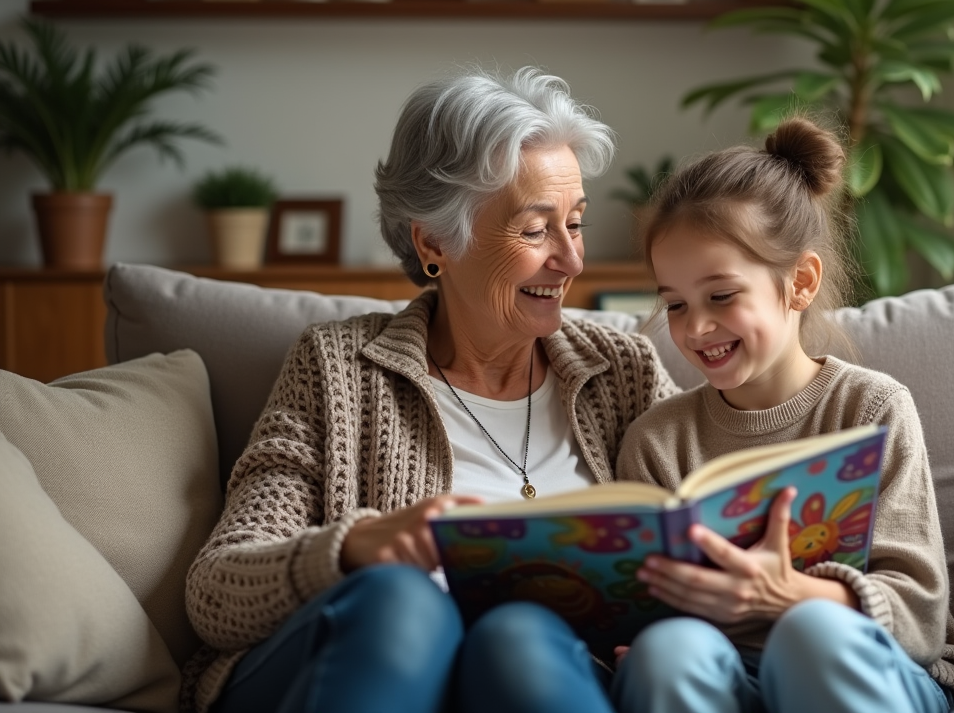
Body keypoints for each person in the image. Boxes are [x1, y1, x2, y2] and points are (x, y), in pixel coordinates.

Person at [183, 67, 677, 713]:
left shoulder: (625, 372)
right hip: (362, 659)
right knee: (402, 598)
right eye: (535, 230)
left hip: (549, 674)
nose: (571, 259)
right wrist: (354, 547)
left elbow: (713, 525)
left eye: (575, 223)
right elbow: (215, 593)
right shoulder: (338, 368)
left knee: (520, 634)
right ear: (434, 240)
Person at [611, 116, 954, 713]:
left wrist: (784, 594)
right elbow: (643, 603)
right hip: (732, 677)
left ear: (799, 282)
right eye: (674, 303)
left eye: (721, 295)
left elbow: (919, 614)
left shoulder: (872, 409)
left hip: (876, 668)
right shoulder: (658, 441)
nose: (695, 328)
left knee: (810, 632)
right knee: (668, 652)